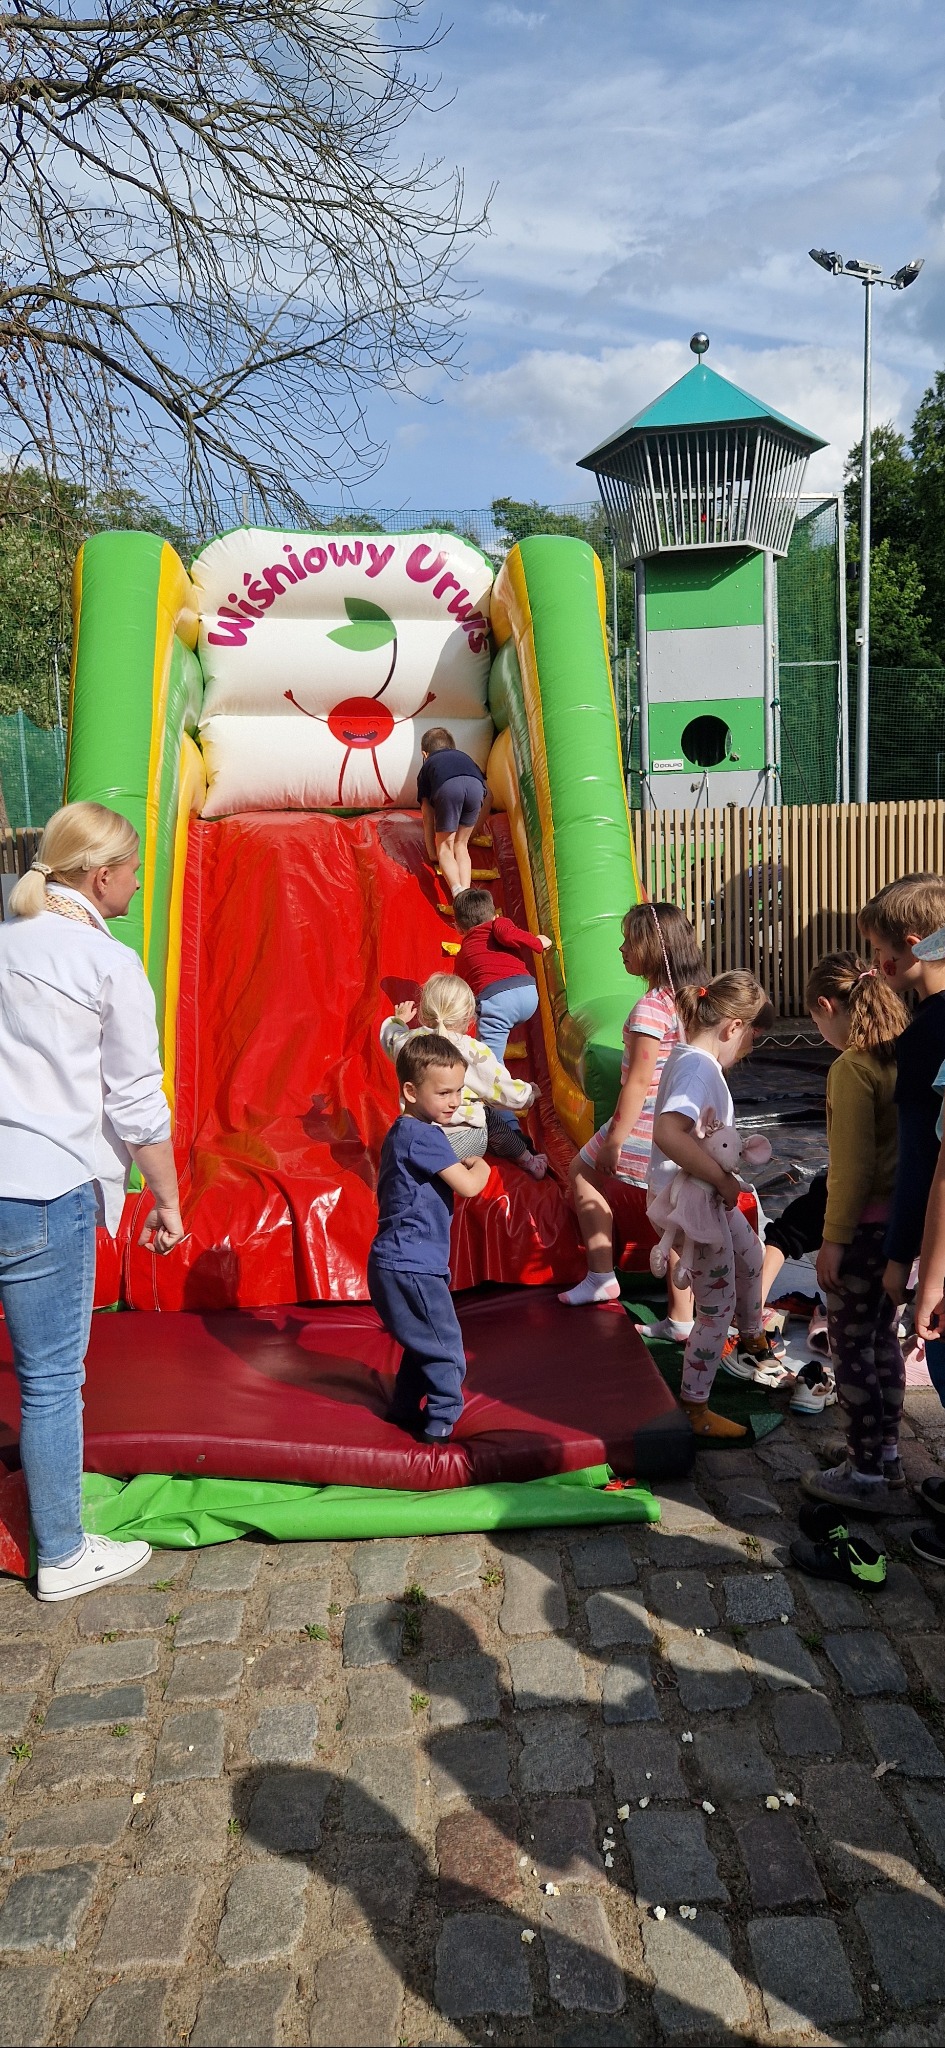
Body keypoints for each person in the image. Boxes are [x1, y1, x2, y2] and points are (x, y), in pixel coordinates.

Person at [0, 802, 186, 1600]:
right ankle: (65, 1554)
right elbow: (136, 1100)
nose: (139, 883)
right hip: (49, 1185)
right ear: (102, 875)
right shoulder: (105, 962)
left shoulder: (7, 942)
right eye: (134, 870)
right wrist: (167, 1198)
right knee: (49, 1381)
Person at [800, 951, 909, 1513]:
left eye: (815, 1021)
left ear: (826, 1006)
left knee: (850, 1349)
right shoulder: (899, 1057)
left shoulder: (851, 1068)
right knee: (883, 1337)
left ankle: (863, 1471)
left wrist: (833, 1239)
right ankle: (886, 1454)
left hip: (861, 1233)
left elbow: (851, 1168)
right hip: (898, 1228)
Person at [559, 901, 702, 1322]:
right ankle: (681, 1318)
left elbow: (639, 1082)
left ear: (654, 948)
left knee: (581, 1173)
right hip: (685, 1121)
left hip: (647, 1122)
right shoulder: (695, 999)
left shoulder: (651, 1007)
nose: (621, 949)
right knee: (673, 1220)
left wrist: (615, 1140)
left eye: (629, 941)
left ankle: (601, 1274)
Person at [647, 972, 775, 1440]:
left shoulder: (693, 1060)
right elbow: (669, 1132)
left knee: (752, 1255)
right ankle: (694, 1407)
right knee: (714, 1308)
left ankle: (751, 1332)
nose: (749, 1050)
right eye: (753, 1039)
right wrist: (721, 1178)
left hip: (707, 1199)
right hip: (693, 1209)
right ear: (733, 1027)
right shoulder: (698, 1070)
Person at [367, 1032, 490, 1442]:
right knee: (445, 1348)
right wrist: (481, 1164)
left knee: (423, 1342)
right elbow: (469, 1186)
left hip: (391, 1261)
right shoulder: (426, 1136)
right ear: (410, 1091)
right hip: (414, 1265)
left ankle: (403, 1408)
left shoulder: (401, 1131)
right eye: (444, 1093)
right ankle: (441, 1424)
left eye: (459, 1091)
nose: (455, 1101)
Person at [857, 875, 945, 1311]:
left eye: (878, 951)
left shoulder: (925, 1035)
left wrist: (899, 1253)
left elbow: (920, 1156)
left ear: (914, 947)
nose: (876, 964)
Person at [380, 973, 547, 1177]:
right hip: (464, 1142)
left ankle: (433, 1168)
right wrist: (528, 1094)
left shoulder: (409, 1042)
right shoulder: (473, 1051)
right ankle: (528, 1160)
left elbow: (390, 1039)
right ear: (469, 1016)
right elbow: (499, 1088)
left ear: (424, 1012)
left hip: (422, 1140)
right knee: (489, 1115)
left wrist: (398, 1021)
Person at [453, 885, 551, 1073]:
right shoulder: (499, 924)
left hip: (498, 1003)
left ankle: (500, 1092)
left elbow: (462, 989)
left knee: (488, 1061)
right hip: (528, 994)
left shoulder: (463, 955)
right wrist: (538, 942)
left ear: (458, 928)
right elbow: (509, 934)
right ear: (494, 915)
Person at [416, 727, 490, 897]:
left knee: (445, 847)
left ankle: (457, 892)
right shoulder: (465, 758)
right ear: (452, 747)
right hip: (476, 787)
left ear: (425, 754)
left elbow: (427, 815)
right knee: (461, 846)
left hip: (448, 787)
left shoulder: (428, 765)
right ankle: (467, 893)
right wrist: (473, 831)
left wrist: (432, 852)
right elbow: (489, 796)